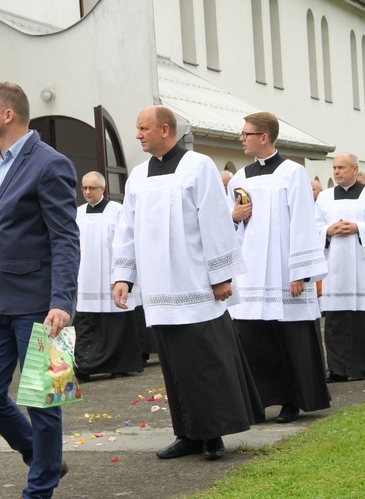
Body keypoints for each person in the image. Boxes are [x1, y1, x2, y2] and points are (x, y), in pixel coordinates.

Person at [112, 105, 261, 461]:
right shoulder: (137, 176)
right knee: (174, 363)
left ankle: (213, 435)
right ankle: (187, 433)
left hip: (195, 282)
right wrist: (123, 276)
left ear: (166, 130)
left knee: (204, 360)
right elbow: (127, 230)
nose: (138, 135)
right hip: (159, 287)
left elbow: (214, 222)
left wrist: (221, 275)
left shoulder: (198, 166)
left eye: (143, 128)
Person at [0, 82, 80, 499]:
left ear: (8, 115)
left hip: (39, 306)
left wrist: (62, 301)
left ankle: (39, 489)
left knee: (44, 402)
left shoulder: (50, 164)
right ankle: (44, 458)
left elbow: (65, 238)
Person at [228, 111, 330, 424]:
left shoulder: (292, 173)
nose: (241, 138)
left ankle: (291, 400)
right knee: (252, 338)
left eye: (247, 133)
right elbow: (228, 223)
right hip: (251, 273)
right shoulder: (239, 177)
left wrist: (299, 271)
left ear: (265, 137)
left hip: (283, 271)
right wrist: (234, 217)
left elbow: (303, 223)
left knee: (287, 336)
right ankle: (256, 401)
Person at [315, 153, 365, 381]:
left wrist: (358, 228)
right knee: (336, 321)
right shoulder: (324, 197)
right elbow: (313, 227)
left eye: (342, 167)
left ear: (355, 169)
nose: (337, 171)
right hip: (336, 268)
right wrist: (328, 231)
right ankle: (338, 368)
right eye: (334, 167)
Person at [73, 172, 143, 381]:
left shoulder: (118, 211)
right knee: (87, 320)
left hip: (111, 274)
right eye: (84, 188)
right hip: (86, 275)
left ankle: (119, 364)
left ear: (102, 189)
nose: (87, 192)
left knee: (116, 321)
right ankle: (85, 365)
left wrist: (122, 273)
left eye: (91, 188)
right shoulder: (77, 213)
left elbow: (125, 242)